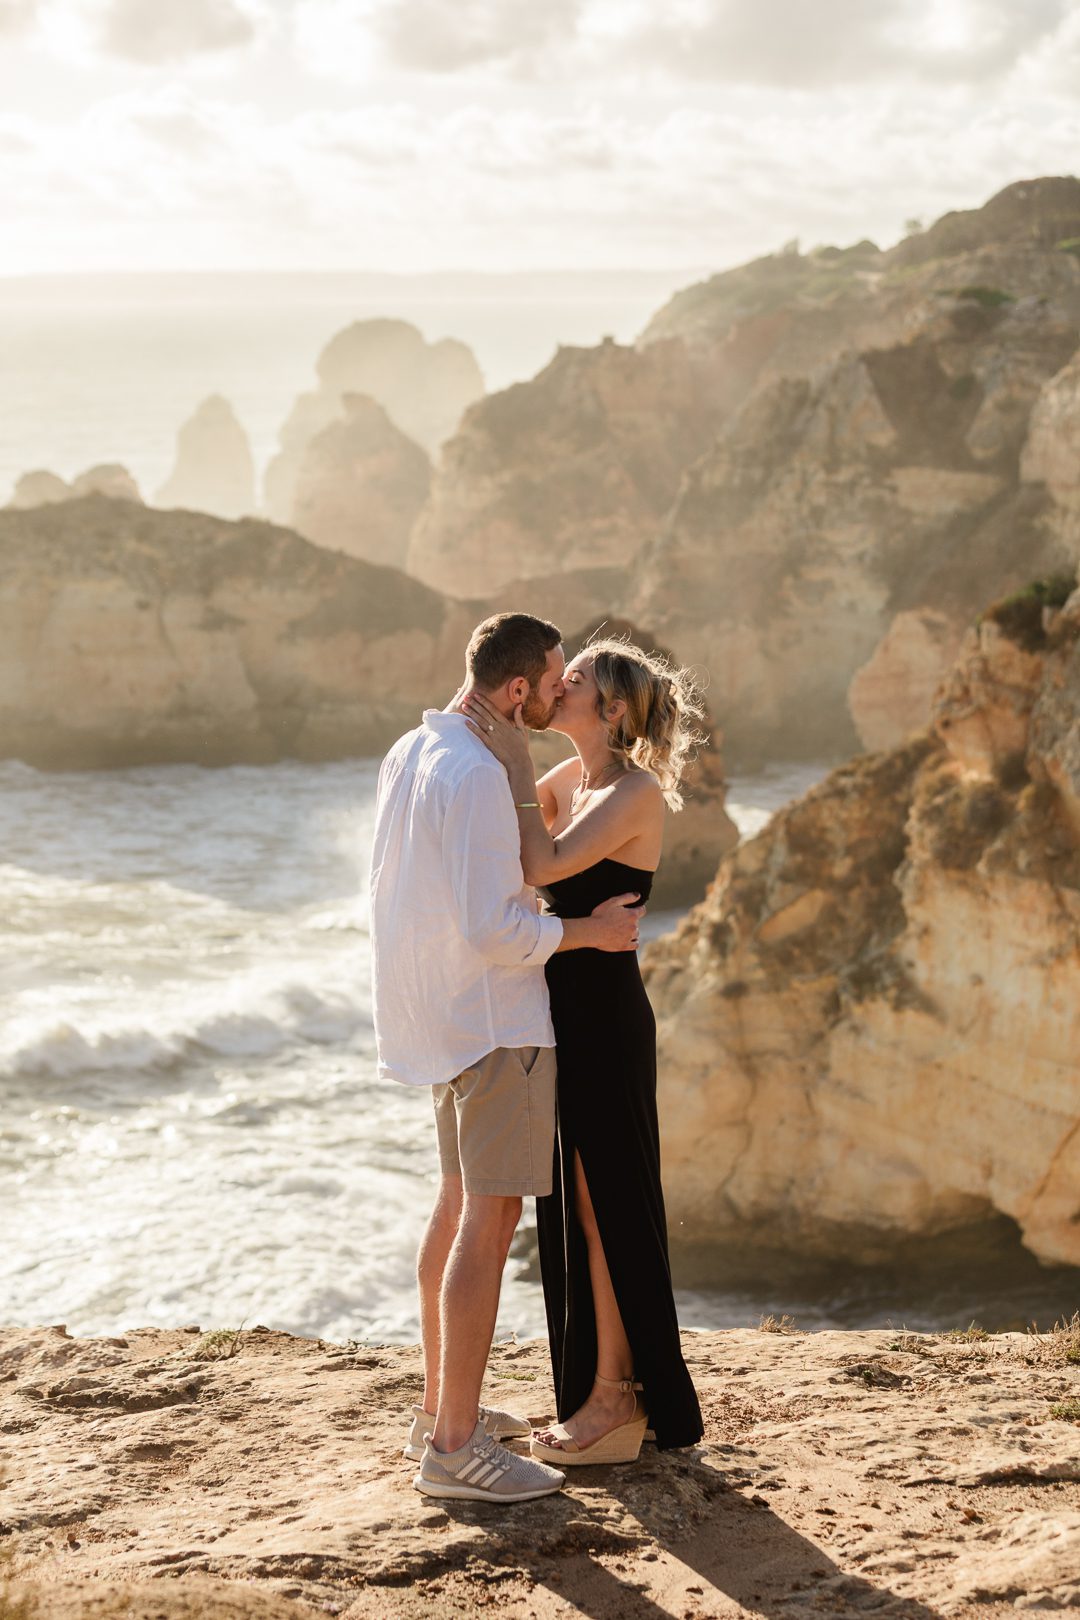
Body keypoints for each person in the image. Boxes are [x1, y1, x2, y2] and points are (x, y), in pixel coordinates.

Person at [369, 612, 645, 1503]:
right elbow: (498, 929)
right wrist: (589, 931)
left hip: (440, 1019)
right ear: (518, 689)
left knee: (453, 1211)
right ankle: (454, 1450)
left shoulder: (412, 753)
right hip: (500, 1026)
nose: (560, 691)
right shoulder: (485, 775)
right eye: (554, 678)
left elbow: (391, 893)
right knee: (488, 1229)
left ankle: (436, 1411)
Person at [463, 636, 706, 1464]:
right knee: (575, 1207)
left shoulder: (634, 793)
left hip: (604, 1020)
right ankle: (603, 1390)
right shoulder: (575, 780)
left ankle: (615, 1401)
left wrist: (511, 746)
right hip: (558, 1015)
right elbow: (506, 836)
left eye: (577, 680)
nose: (558, 685)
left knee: (604, 1212)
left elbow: (542, 858)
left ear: (609, 709)